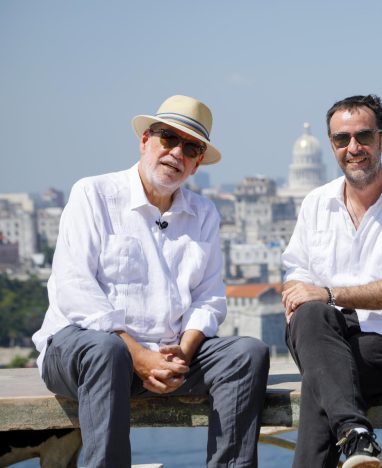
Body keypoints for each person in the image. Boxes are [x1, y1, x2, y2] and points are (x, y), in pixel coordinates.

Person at [32, 95, 270, 467]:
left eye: (190, 148)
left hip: (165, 354)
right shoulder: (94, 194)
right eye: (168, 139)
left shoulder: (204, 213)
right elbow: (74, 289)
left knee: (247, 354)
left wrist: (184, 351)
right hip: (84, 352)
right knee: (106, 351)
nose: (177, 152)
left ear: (195, 165)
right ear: (145, 141)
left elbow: (209, 298)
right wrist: (138, 355)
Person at [281, 94, 382, 468]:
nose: (353, 148)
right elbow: (296, 277)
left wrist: (327, 293)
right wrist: (307, 296)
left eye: (363, 137)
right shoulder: (316, 203)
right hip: (322, 333)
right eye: (342, 139)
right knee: (310, 318)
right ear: (331, 146)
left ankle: (354, 434)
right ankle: (357, 434)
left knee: (322, 383)